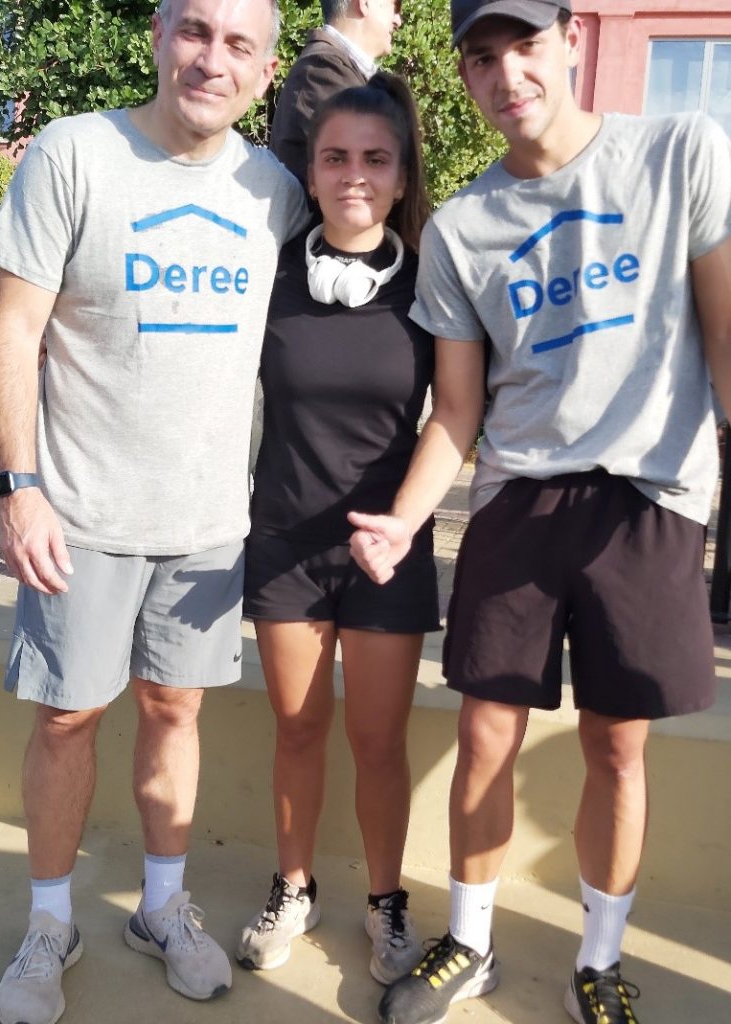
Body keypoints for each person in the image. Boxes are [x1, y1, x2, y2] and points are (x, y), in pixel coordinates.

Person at [349, 3, 731, 1023]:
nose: (506, 73)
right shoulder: (461, 229)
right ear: (464, 74)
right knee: (484, 735)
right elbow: (457, 412)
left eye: (524, 44)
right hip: (517, 499)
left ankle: (597, 963)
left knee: (617, 746)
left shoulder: (682, 154)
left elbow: (724, 340)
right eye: (481, 57)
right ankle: (470, 943)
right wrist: (403, 519)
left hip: (648, 497)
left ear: (569, 39)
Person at [0, 1, 307, 1022]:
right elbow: (12, 328)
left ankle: (162, 908)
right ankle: (49, 924)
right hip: (77, 514)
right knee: (66, 716)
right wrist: (20, 487)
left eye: (239, 44)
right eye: (195, 30)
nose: (212, 59)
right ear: (159, 34)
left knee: (177, 710)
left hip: (207, 523)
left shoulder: (275, 190)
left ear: (265, 70)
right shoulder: (74, 154)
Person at [235, 72, 437, 985]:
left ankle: (386, 901)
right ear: (310, 172)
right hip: (285, 543)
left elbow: (456, 416)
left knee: (379, 741)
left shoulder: (431, 287)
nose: (355, 174)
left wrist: (401, 523)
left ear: (401, 176)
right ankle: (294, 886)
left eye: (375, 158)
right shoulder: (270, 276)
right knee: (298, 729)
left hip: (388, 551)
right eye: (336, 156)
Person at [269, 0, 403, 186]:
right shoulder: (322, 70)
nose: (398, 20)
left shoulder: (333, 68)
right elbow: (365, 182)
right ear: (364, 3)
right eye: (395, 6)